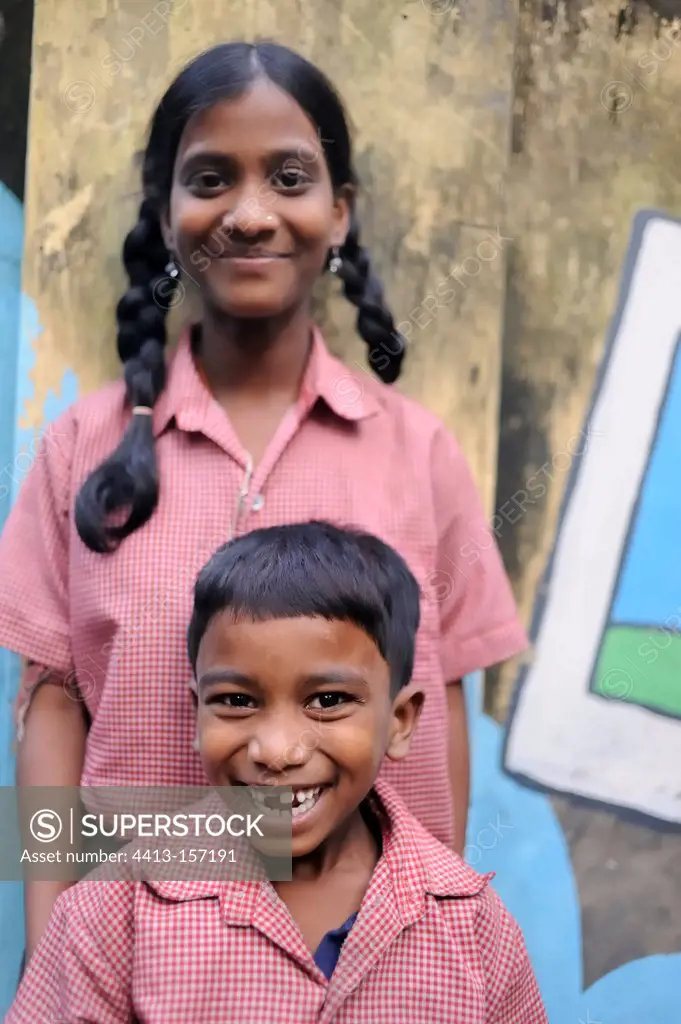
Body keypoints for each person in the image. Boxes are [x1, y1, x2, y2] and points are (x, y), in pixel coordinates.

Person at [0, 41, 527, 961]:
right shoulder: (81, 450)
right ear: (165, 215)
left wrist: (430, 945)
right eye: (210, 179)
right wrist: (55, 952)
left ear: (338, 210)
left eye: (289, 177)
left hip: (365, 966)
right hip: (142, 962)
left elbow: (434, 720)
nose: (249, 214)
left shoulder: (417, 454)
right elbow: (51, 709)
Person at [7, 522, 546, 1023]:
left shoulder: (472, 927)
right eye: (237, 701)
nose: (277, 750)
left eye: (328, 700)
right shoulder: (113, 913)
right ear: (197, 713)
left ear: (400, 722)